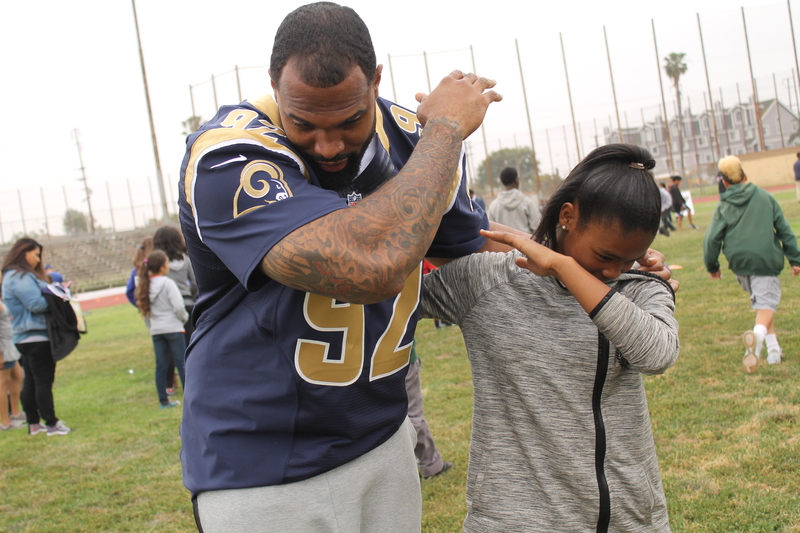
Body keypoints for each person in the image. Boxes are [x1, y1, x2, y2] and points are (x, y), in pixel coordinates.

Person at [178, 3, 504, 530]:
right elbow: (367, 268)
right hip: (263, 468)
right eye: (303, 122)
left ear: (376, 81)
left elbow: (477, 253)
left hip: (383, 435)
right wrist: (443, 132)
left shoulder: (410, 137)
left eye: (349, 120)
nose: (327, 145)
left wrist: (602, 269)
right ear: (273, 86)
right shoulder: (228, 154)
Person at [421, 144, 678, 532]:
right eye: (605, 255)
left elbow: (657, 353)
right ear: (568, 216)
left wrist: (562, 266)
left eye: (629, 259)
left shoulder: (640, 288)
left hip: (627, 518)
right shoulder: (489, 280)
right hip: (513, 521)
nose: (613, 272)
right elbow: (389, 297)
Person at [703, 155, 800, 373]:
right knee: (766, 305)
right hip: (764, 259)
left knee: (763, 305)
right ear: (745, 175)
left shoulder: (723, 205)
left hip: (739, 263)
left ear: (724, 182)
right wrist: (795, 258)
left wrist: (713, 266)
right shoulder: (765, 197)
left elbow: (711, 239)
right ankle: (755, 341)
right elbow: (784, 230)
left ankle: (774, 350)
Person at [1, 238, 71, 436]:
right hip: (34, 336)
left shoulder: (13, 275)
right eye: (36, 254)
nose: (38, 260)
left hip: (26, 336)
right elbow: (36, 304)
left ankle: (34, 423)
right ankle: (51, 423)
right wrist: (57, 295)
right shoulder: (20, 276)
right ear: (24, 252)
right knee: (42, 381)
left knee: (31, 380)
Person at [135, 250, 187, 409]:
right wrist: (183, 319)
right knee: (182, 363)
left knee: (161, 365)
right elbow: (178, 306)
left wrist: (152, 327)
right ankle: (191, 398)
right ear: (162, 266)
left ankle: (163, 401)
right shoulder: (167, 283)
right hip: (174, 327)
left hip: (157, 330)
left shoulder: (144, 285)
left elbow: (144, 312)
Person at [153, 226, 197, 395]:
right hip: (187, 305)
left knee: (169, 350)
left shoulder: (159, 263)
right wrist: (189, 295)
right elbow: (194, 282)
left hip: (168, 310)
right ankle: (193, 380)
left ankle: (168, 384)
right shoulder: (185, 259)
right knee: (190, 346)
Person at [405, 339, 452, 479]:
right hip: (399, 357)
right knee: (412, 417)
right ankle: (428, 464)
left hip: (362, 363)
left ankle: (430, 463)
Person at [486, 166, 541, 233]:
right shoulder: (527, 202)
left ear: (502, 182)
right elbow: (537, 225)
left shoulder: (493, 206)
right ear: (516, 180)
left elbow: (490, 229)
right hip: (525, 242)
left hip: (502, 243)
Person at [0, 298, 25, 431]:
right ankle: (5, 422)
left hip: (8, 344)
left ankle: (16, 413)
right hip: (3, 347)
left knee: (18, 375)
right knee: (3, 384)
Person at [125, 236, 154, 306]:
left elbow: (129, 290)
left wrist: (139, 304)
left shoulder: (136, 269)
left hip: (147, 308)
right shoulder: (157, 265)